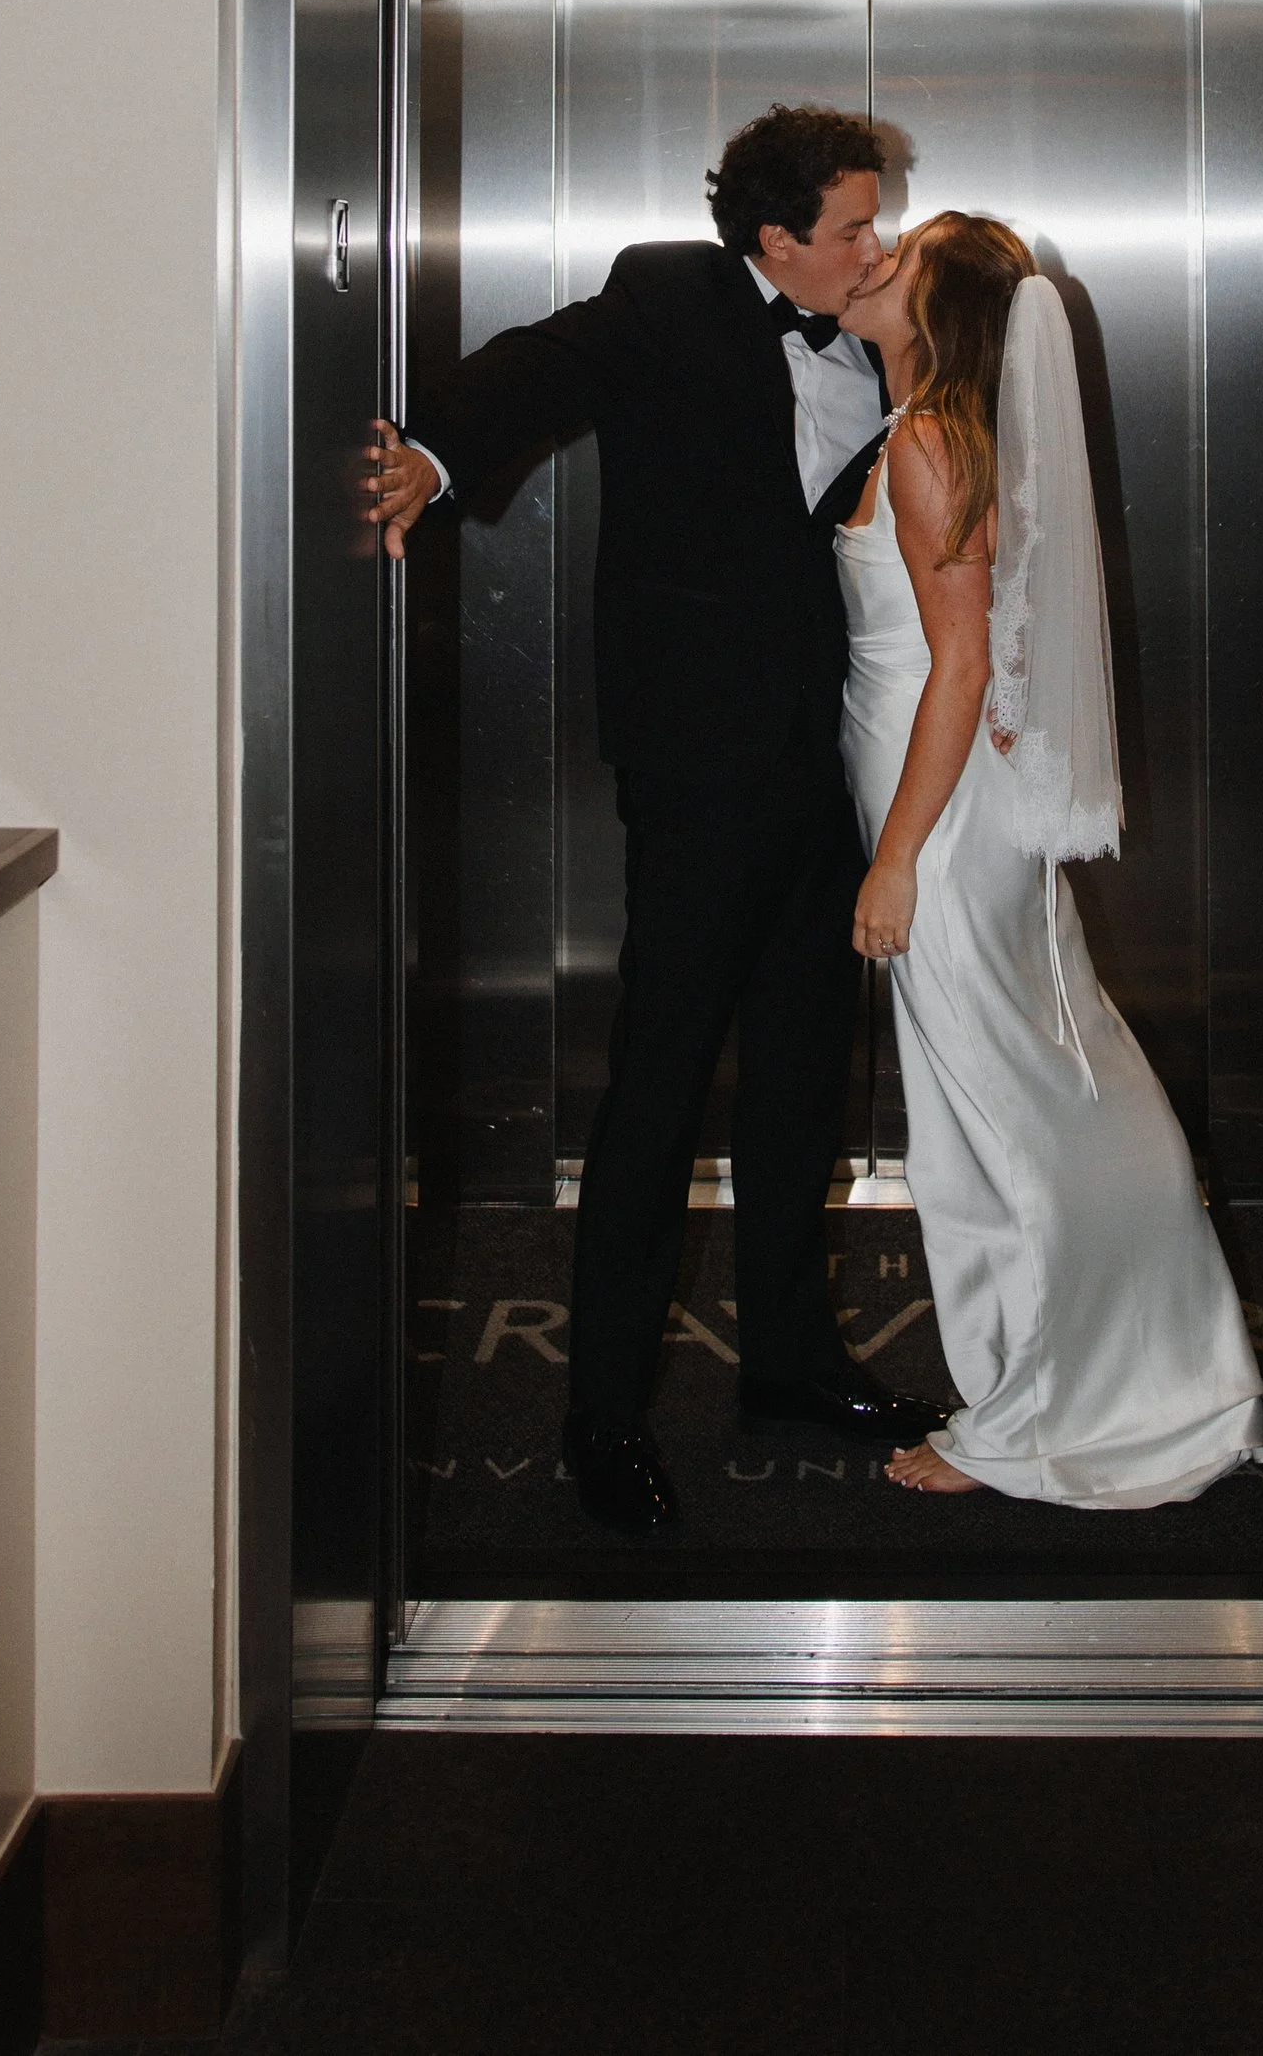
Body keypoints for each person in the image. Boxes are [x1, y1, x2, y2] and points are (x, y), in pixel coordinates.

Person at [361, 104, 947, 1539]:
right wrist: (434, 453)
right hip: (697, 776)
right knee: (659, 1090)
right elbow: (541, 363)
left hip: (835, 771)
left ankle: (790, 1366)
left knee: (803, 1081)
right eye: (852, 226)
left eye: (876, 220)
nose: (875, 246)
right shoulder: (666, 295)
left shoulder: (879, 334)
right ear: (774, 239)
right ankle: (603, 1412)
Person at [835, 213, 1263, 1507]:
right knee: (1040, 1087)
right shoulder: (934, 429)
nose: (874, 257)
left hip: (938, 822)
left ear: (939, 311)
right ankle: (1126, 1362)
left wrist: (897, 859)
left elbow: (962, 664)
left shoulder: (930, 441)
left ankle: (1056, 1407)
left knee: (1006, 1114)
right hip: (946, 803)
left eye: (903, 255)